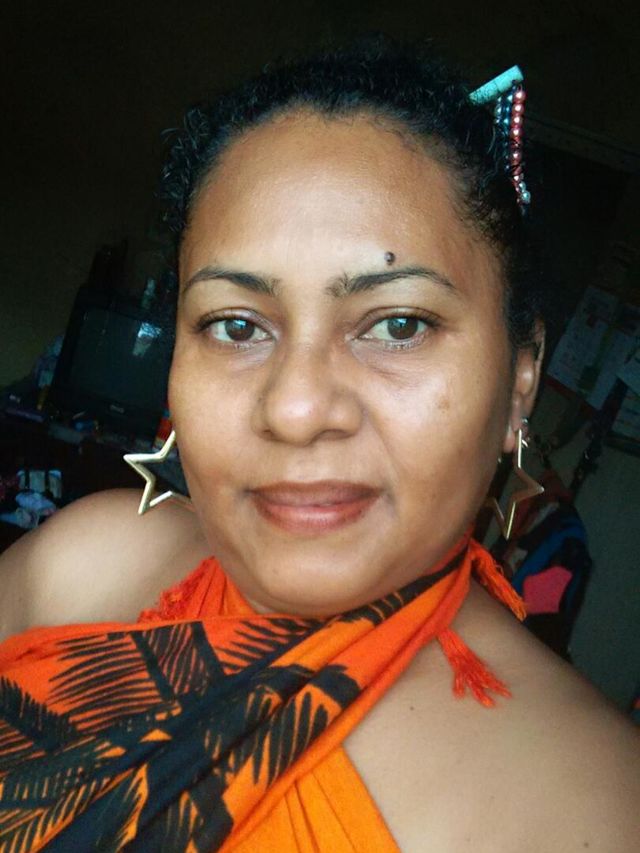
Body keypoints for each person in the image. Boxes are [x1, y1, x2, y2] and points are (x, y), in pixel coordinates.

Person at [0, 39, 637, 852]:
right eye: (237, 326)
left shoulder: (592, 810)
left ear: (520, 378)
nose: (296, 409)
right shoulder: (81, 564)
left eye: (398, 324)